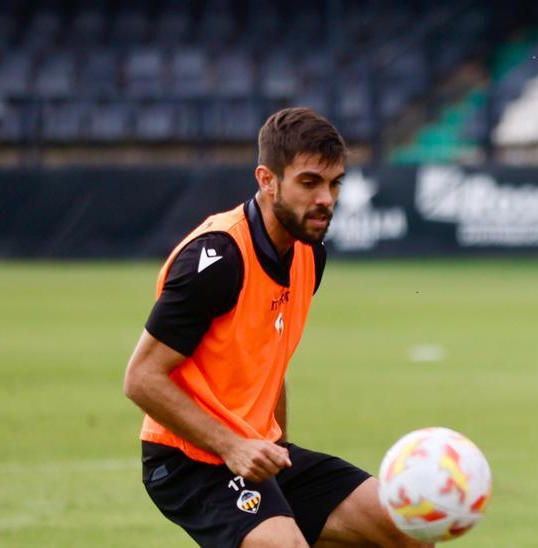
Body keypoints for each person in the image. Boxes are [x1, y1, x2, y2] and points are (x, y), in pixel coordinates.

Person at [123, 107, 426, 547]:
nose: (326, 198)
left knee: (406, 530)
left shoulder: (309, 253)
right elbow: (141, 378)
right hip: (188, 459)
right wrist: (233, 446)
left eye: (334, 183)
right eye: (309, 182)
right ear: (267, 179)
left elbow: (269, 360)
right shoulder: (218, 259)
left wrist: (276, 446)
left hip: (256, 451)